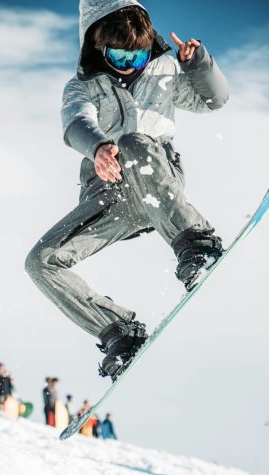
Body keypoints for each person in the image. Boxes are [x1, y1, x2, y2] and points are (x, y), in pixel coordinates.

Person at [25, 1, 228, 382]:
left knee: (134, 140)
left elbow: (214, 101)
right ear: (97, 48)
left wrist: (198, 65)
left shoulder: (164, 70)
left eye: (137, 53)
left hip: (157, 180)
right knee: (40, 262)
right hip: (110, 195)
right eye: (118, 54)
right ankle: (118, 331)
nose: (129, 63)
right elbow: (75, 120)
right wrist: (98, 147)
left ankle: (194, 240)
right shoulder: (82, 86)